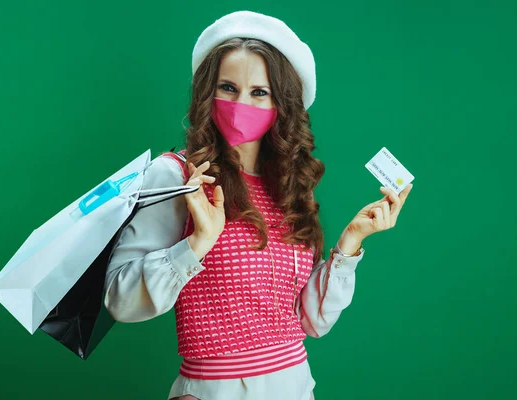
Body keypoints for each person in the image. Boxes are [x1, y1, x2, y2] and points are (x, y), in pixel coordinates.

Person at [103, 10, 413, 400]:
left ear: (282, 104)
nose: (240, 103)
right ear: (206, 93)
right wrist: (199, 241)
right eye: (228, 88)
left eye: (259, 92)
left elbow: (309, 320)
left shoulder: (287, 186)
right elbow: (120, 300)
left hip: (295, 385)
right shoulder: (179, 176)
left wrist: (352, 241)